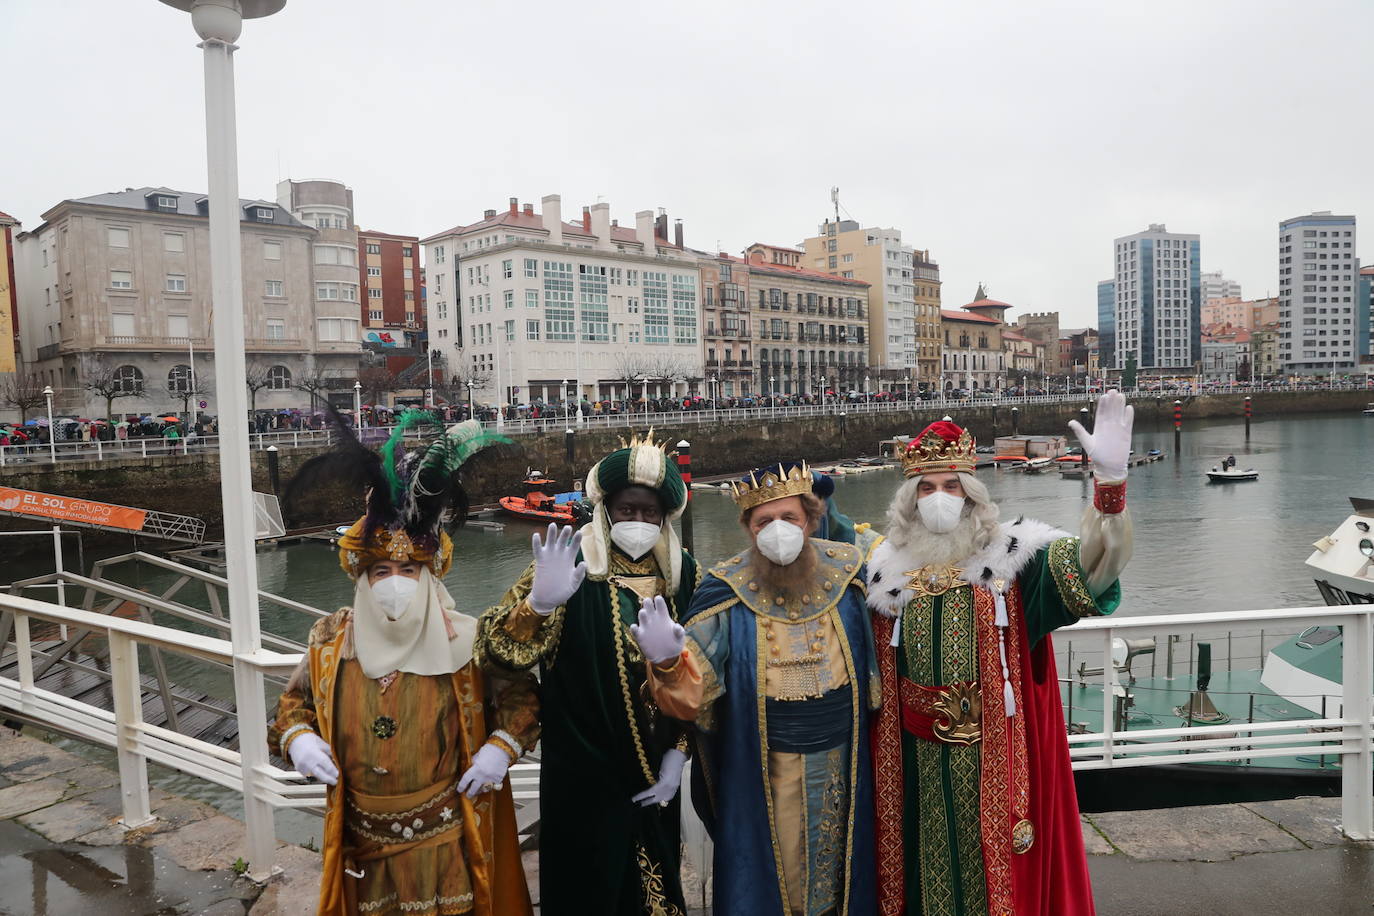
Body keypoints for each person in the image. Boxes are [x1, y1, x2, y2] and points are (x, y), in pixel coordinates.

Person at [865, 394, 1134, 915]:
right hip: (912, 764)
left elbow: (1095, 569)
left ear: (972, 496)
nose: (938, 498)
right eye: (926, 487)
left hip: (998, 756)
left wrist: (1110, 488)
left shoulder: (1014, 561)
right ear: (908, 498)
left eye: (950, 487)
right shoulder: (882, 572)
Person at [270, 411, 535, 916]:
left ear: (429, 574)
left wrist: (501, 748)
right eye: (382, 571)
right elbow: (291, 708)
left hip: (447, 839)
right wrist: (296, 739)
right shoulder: (330, 640)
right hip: (362, 846)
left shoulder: (467, 640)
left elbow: (524, 701)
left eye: (409, 570)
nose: (395, 582)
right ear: (362, 577)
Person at [637, 460, 879, 916]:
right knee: (774, 877)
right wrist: (668, 661)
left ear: (810, 519)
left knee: (842, 872)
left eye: (789, 518)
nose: (778, 530)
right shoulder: (725, 589)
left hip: (844, 759)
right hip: (767, 765)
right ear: (749, 529)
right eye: (764, 521)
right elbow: (694, 696)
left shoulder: (850, 574)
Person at [476, 430, 697, 916]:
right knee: (587, 888)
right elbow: (493, 653)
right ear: (606, 510)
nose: (638, 522)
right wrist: (537, 605)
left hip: (653, 771)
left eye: (649, 513)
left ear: (663, 517)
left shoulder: (683, 574)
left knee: (653, 888)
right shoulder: (569, 565)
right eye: (626, 511)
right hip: (582, 771)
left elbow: (698, 680)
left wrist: (679, 755)